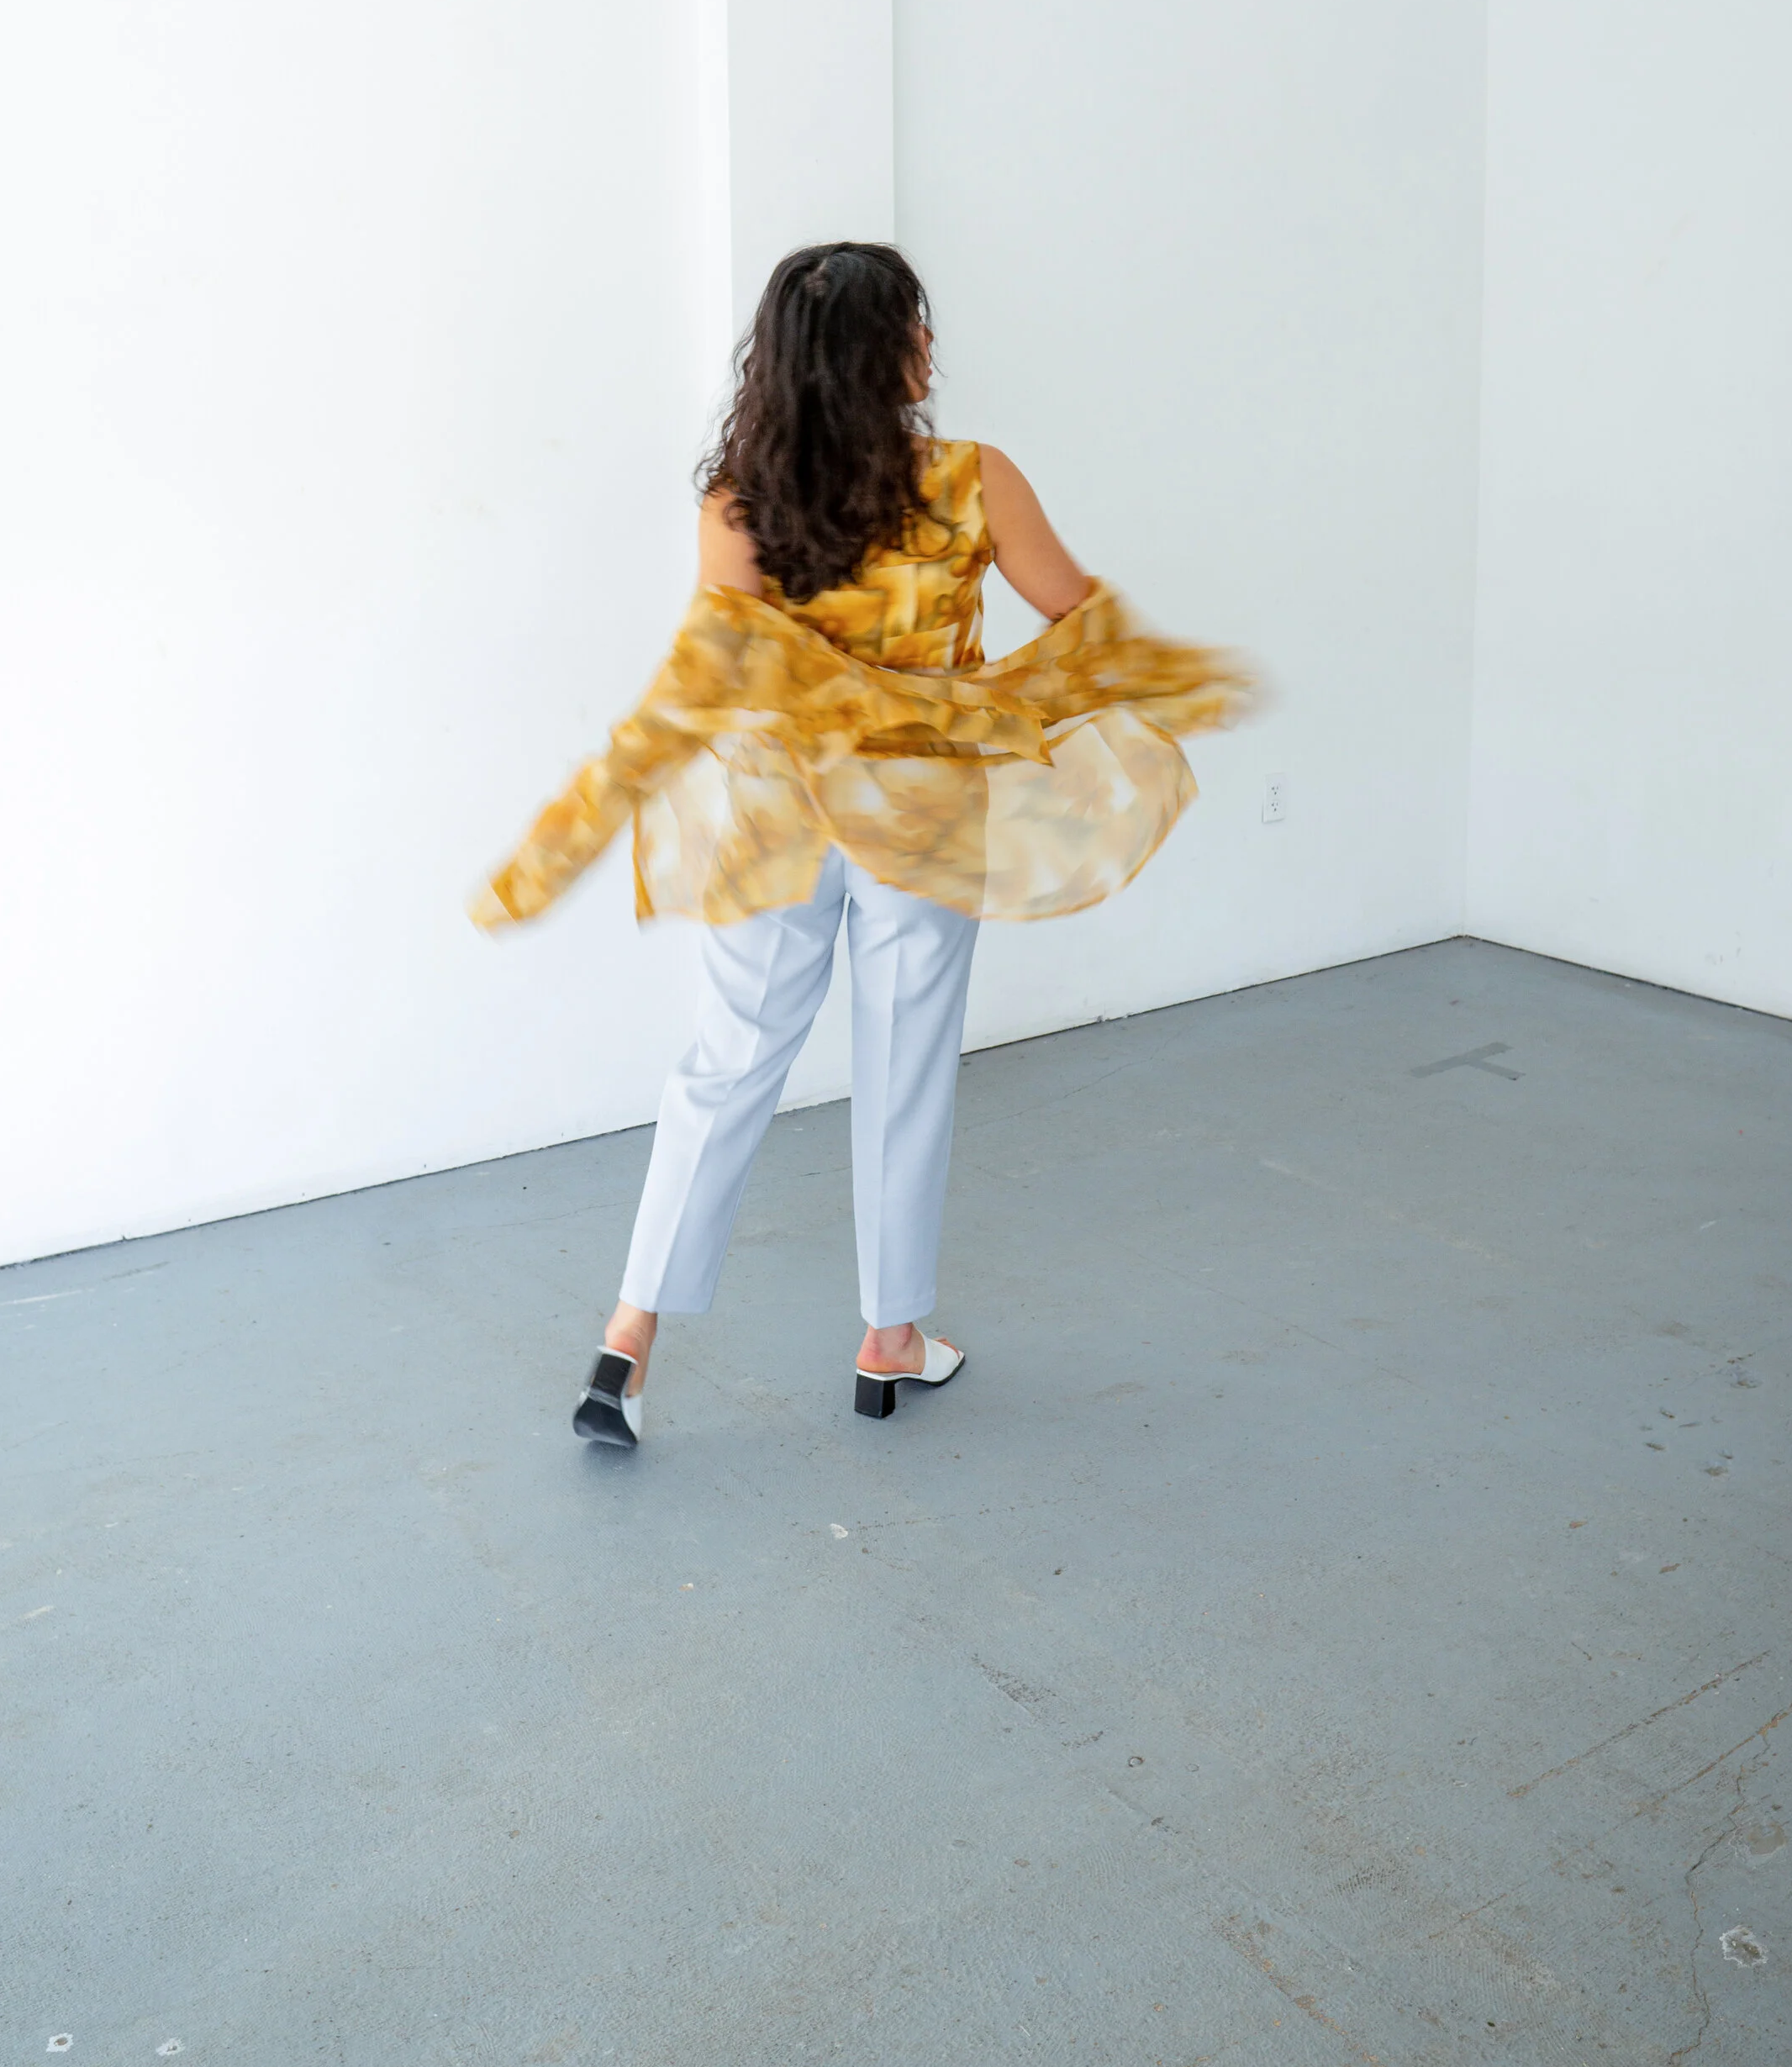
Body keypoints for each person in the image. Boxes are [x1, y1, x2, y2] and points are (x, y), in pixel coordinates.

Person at [471, 241, 1253, 1448]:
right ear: (894, 350)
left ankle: (626, 1339)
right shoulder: (973, 478)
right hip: (923, 813)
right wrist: (997, 698)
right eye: (920, 326)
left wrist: (565, 836)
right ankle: (891, 1339)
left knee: (728, 1060)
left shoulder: (739, 501)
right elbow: (1080, 624)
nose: (933, 345)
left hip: (776, 811)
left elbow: (709, 678)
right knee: (905, 1062)